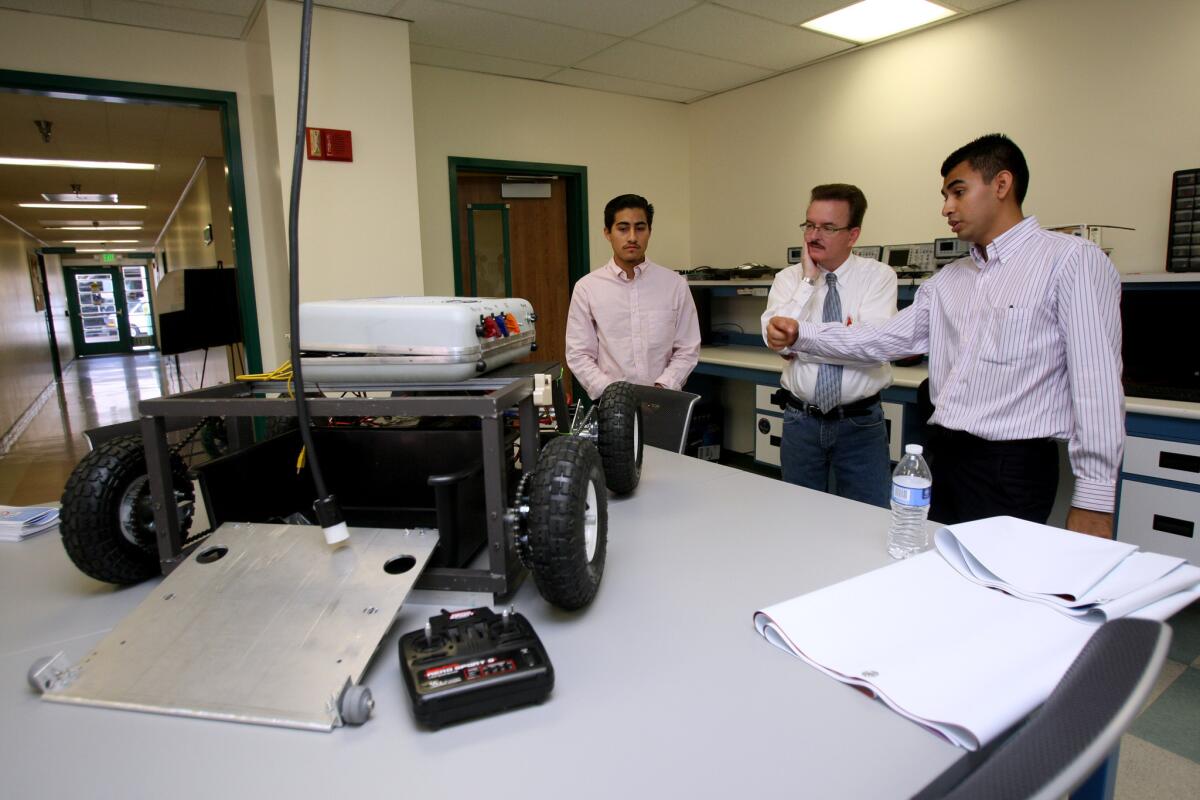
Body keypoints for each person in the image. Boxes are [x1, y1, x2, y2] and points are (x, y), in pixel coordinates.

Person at [766, 134, 1123, 538]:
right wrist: (802, 333)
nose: (946, 208)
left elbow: (1097, 384)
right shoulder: (949, 280)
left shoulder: (1070, 261)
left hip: (1012, 467)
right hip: (946, 457)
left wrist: (1094, 501)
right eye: (945, 195)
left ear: (1002, 185)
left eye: (958, 191)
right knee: (940, 572)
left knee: (999, 585)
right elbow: (882, 338)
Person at [760, 184, 897, 507]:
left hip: (860, 423)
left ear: (853, 235)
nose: (813, 235)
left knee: (868, 517)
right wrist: (807, 283)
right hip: (800, 421)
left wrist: (801, 341)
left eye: (827, 227)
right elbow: (775, 340)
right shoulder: (789, 280)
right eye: (809, 225)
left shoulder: (879, 277)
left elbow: (872, 346)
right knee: (799, 516)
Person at [566, 194, 700, 399]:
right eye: (622, 228)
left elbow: (687, 348)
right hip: (611, 405)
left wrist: (663, 388)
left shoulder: (675, 285)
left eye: (640, 228)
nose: (632, 237)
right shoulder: (587, 288)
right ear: (607, 233)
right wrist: (613, 394)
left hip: (664, 400)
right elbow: (579, 353)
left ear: (649, 232)